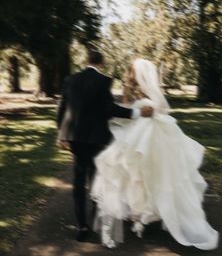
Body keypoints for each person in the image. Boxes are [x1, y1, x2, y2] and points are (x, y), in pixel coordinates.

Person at [91, 58, 219, 250]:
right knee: (139, 174)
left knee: (149, 173)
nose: (131, 74)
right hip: (136, 135)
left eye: (132, 70)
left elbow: (160, 109)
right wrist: (142, 112)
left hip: (150, 136)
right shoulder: (130, 90)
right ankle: (140, 212)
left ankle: (145, 212)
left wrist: (151, 112)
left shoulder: (139, 91)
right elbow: (129, 111)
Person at [56, 50, 153, 241]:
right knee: (94, 180)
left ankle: (82, 227)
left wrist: (61, 135)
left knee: (78, 180)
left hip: (75, 138)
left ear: (86, 61)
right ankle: (94, 220)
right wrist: (135, 113)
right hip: (97, 139)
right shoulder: (103, 81)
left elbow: (62, 108)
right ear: (102, 63)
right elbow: (109, 109)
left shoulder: (70, 79)